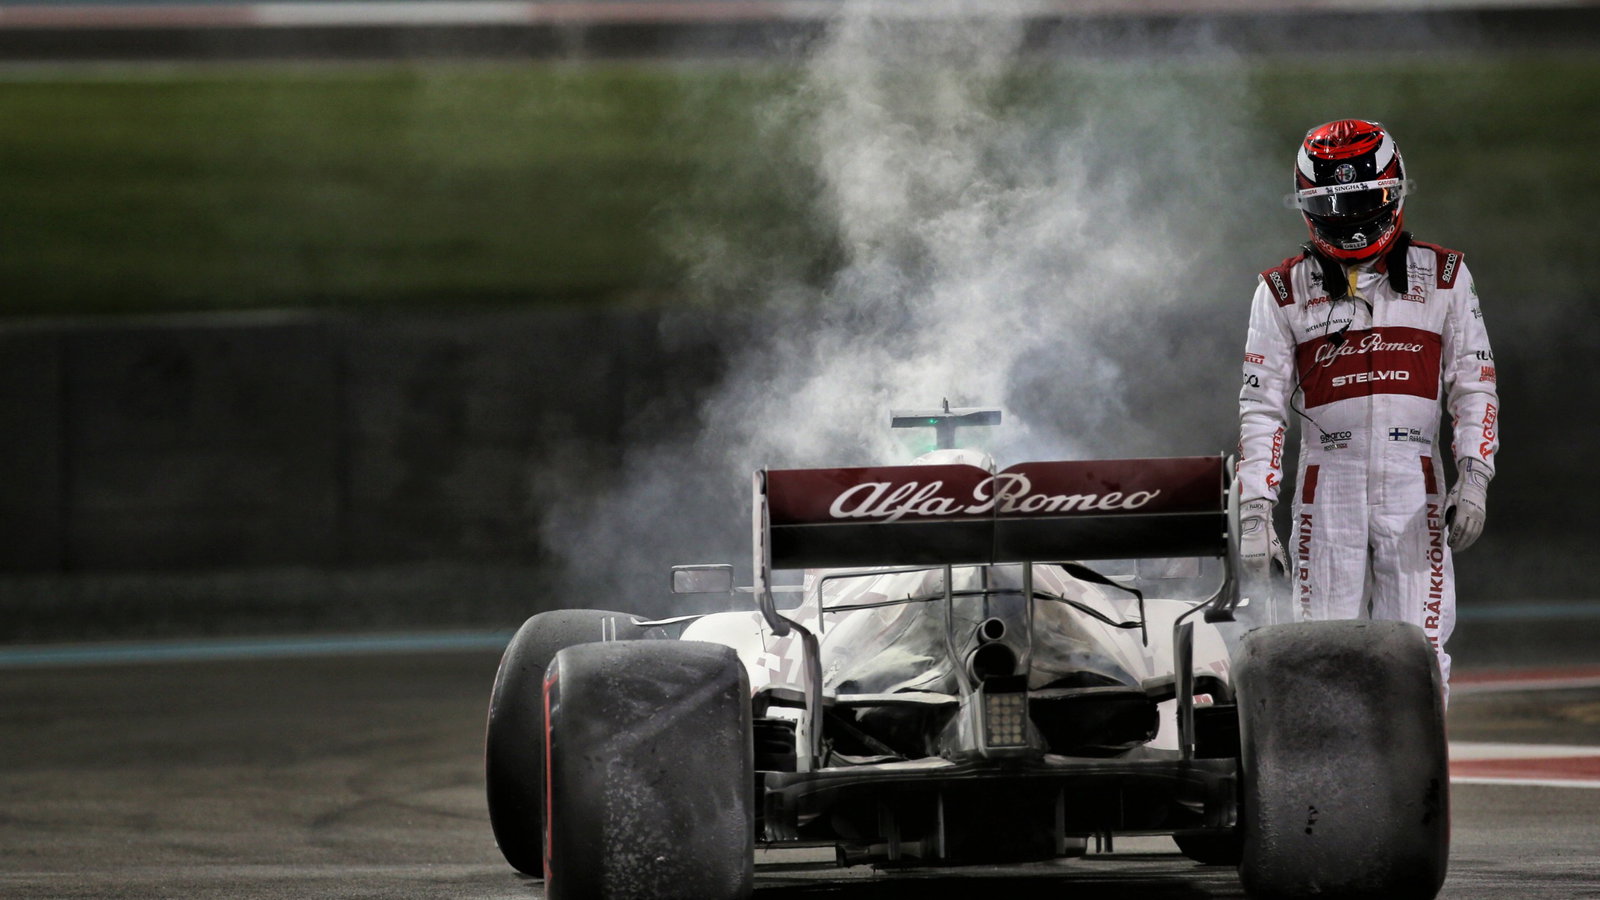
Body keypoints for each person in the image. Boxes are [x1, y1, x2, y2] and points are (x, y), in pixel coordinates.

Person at [1235, 119, 1498, 692]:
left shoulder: (1446, 276)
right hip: (1326, 487)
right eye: (1335, 201)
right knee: (1320, 655)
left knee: (1419, 656)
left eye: (1363, 198)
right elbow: (1261, 410)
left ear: (1394, 190)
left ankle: (1416, 783)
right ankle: (1329, 783)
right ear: (1309, 203)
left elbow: (1474, 384)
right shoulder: (1281, 289)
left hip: (1415, 483)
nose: (1351, 216)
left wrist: (1474, 476)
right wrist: (1254, 512)